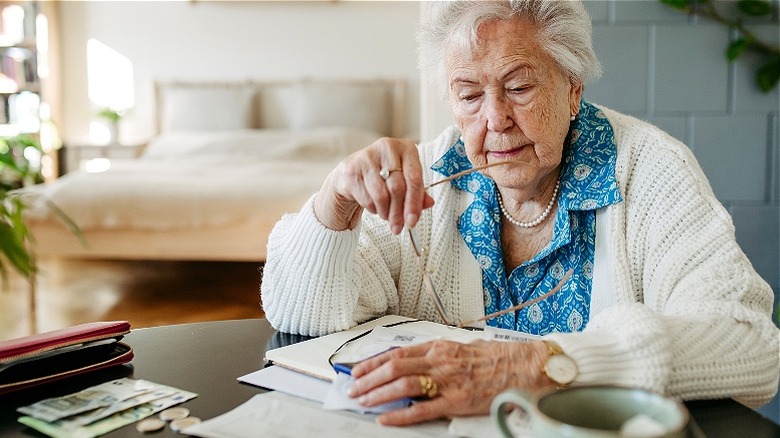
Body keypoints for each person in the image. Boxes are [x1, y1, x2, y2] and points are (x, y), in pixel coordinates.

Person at [260, 0, 779, 427]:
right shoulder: (427, 179)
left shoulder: (649, 171)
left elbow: (750, 345)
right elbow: (302, 318)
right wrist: (333, 206)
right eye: (468, 95)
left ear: (573, 88)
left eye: (518, 87)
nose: (495, 120)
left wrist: (541, 364)